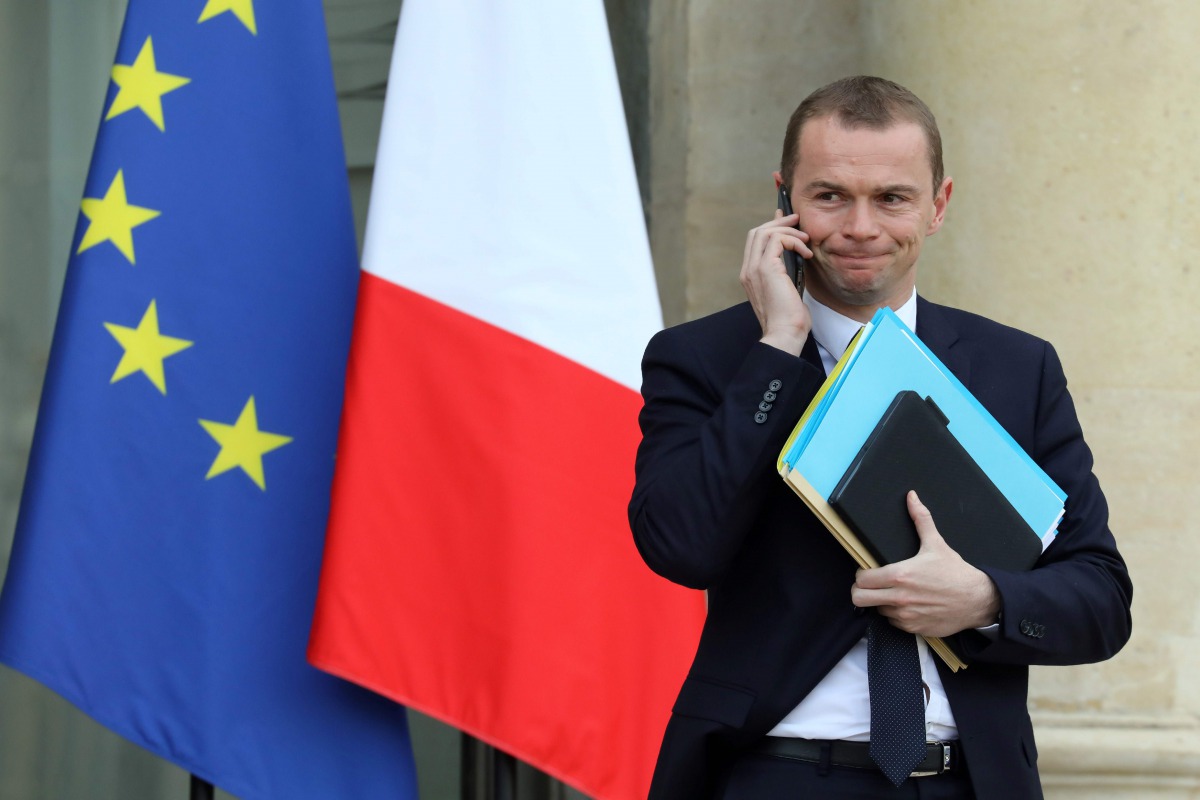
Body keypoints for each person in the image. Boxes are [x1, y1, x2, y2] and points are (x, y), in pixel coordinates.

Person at [628, 75, 1132, 800]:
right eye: (830, 195)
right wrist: (777, 348)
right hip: (775, 775)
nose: (860, 227)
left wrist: (985, 600)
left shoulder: (1017, 368)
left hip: (969, 783)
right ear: (784, 200)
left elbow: (1101, 599)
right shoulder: (706, 358)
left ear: (939, 205)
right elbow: (678, 546)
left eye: (892, 198)